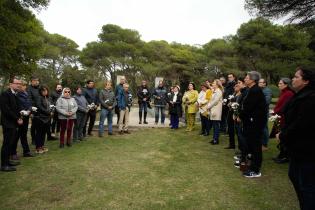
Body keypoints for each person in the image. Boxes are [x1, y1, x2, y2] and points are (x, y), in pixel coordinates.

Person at [277, 67, 315, 210]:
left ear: (306, 81)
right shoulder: (298, 95)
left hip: (307, 149)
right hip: (296, 148)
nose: (293, 79)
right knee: (294, 177)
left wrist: (283, 134)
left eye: (296, 77)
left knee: (307, 185)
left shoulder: (310, 98)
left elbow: (301, 123)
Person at [239, 71, 267, 178]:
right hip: (251, 123)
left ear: (252, 80)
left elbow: (248, 108)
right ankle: (250, 164)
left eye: (247, 78)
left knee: (255, 147)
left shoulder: (255, 91)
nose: (245, 79)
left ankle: (256, 170)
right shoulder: (251, 90)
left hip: (255, 124)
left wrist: (240, 116)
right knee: (251, 145)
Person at [0, 77, 23, 172]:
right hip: (8, 123)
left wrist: (20, 116)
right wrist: (17, 118)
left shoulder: (15, 94)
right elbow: (6, 110)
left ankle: (8, 161)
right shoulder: (5, 94)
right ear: (10, 84)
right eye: (16, 83)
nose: (18, 85)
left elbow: (16, 108)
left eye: (19, 84)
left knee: (11, 143)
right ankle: (4, 165)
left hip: (14, 123)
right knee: (6, 143)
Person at [272, 78, 294, 164]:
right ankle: (281, 154)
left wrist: (275, 112)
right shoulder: (284, 93)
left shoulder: (289, 93)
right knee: (280, 137)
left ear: (286, 84)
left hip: (284, 118)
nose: (279, 85)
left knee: (283, 137)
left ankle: (285, 156)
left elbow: (284, 107)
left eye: (281, 83)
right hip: (279, 117)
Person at [13, 80, 34, 158]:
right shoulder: (17, 94)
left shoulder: (26, 94)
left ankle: (26, 151)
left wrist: (29, 110)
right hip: (20, 117)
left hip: (26, 116)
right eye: (22, 85)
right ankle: (13, 152)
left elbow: (29, 104)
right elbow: (18, 105)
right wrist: (23, 112)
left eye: (25, 85)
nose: (23, 87)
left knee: (24, 135)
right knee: (16, 136)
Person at [33, 85, 52, 154]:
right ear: (40, 91)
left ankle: (42, 145)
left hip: (46, 118)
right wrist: (48, 112)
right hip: (40, 118)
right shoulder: (39, 97)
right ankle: (38, 147)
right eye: (43, 90)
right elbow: (39, 107)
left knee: (44, 133)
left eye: (46, 90)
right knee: (39, 133)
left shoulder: (47, 98)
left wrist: (51, 110)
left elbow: (49, 107)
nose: (45, 92)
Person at [207, 79, 223, 144]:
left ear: (217, 84)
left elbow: (215, 101)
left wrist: (209, 106)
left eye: (213, 83)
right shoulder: (214, 91)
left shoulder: (219, 91)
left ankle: (216, 140)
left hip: (216, 110)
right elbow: (211, 100)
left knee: (216, 125)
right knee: (214, 125)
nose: (212, 84)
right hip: (213, 109)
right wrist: (209, 105)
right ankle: (214, 138)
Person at [258, 78, 272, 151]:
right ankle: (261, 143)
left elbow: (267, 101)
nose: (259, 83)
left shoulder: (267, 91)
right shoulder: (259, 90)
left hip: (263, 112)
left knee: (264, 128)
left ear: (265, 83)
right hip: (258, 112)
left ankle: (265, 144)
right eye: (259, 82)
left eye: (261, 82)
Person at [27, 76, 40, 145]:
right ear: (31, 81)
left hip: (40, 109)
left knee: (39, 125)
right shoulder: (29, 89)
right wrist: (31, 112)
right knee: (34, 125)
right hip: (33, 110)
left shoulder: (39, 88)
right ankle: (33, 139)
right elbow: (29, 100)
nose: (37, 82)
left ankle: (38, 138)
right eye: (35, 80)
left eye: (37, 80)